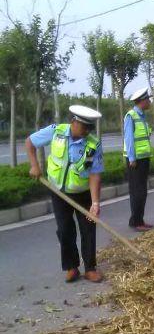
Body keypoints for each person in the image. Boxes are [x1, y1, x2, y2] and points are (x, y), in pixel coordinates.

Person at [25, 105, 104, 283]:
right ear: (73, 122)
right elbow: (29, 142)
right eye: (84, 127)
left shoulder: (93, 144)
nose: (87, 131)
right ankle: (71, 266)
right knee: (65, 230)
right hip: (58, 192)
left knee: (88, 229)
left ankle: (90, 268)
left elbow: (95, 175)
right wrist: (35, 165)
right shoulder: (56, 131)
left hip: (82, 193)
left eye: (90, 127)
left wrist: (95, 203)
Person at [124, 87, 153, 231]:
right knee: (137, 191)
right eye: (148, 99)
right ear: (142, 101)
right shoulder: (131, 116)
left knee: (142, 191)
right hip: (135, 161)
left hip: (144, 158)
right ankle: (136, 222)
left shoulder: (142, 116)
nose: (150, 101)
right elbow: (128, 139)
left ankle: (137, 219)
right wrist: (131, 158)